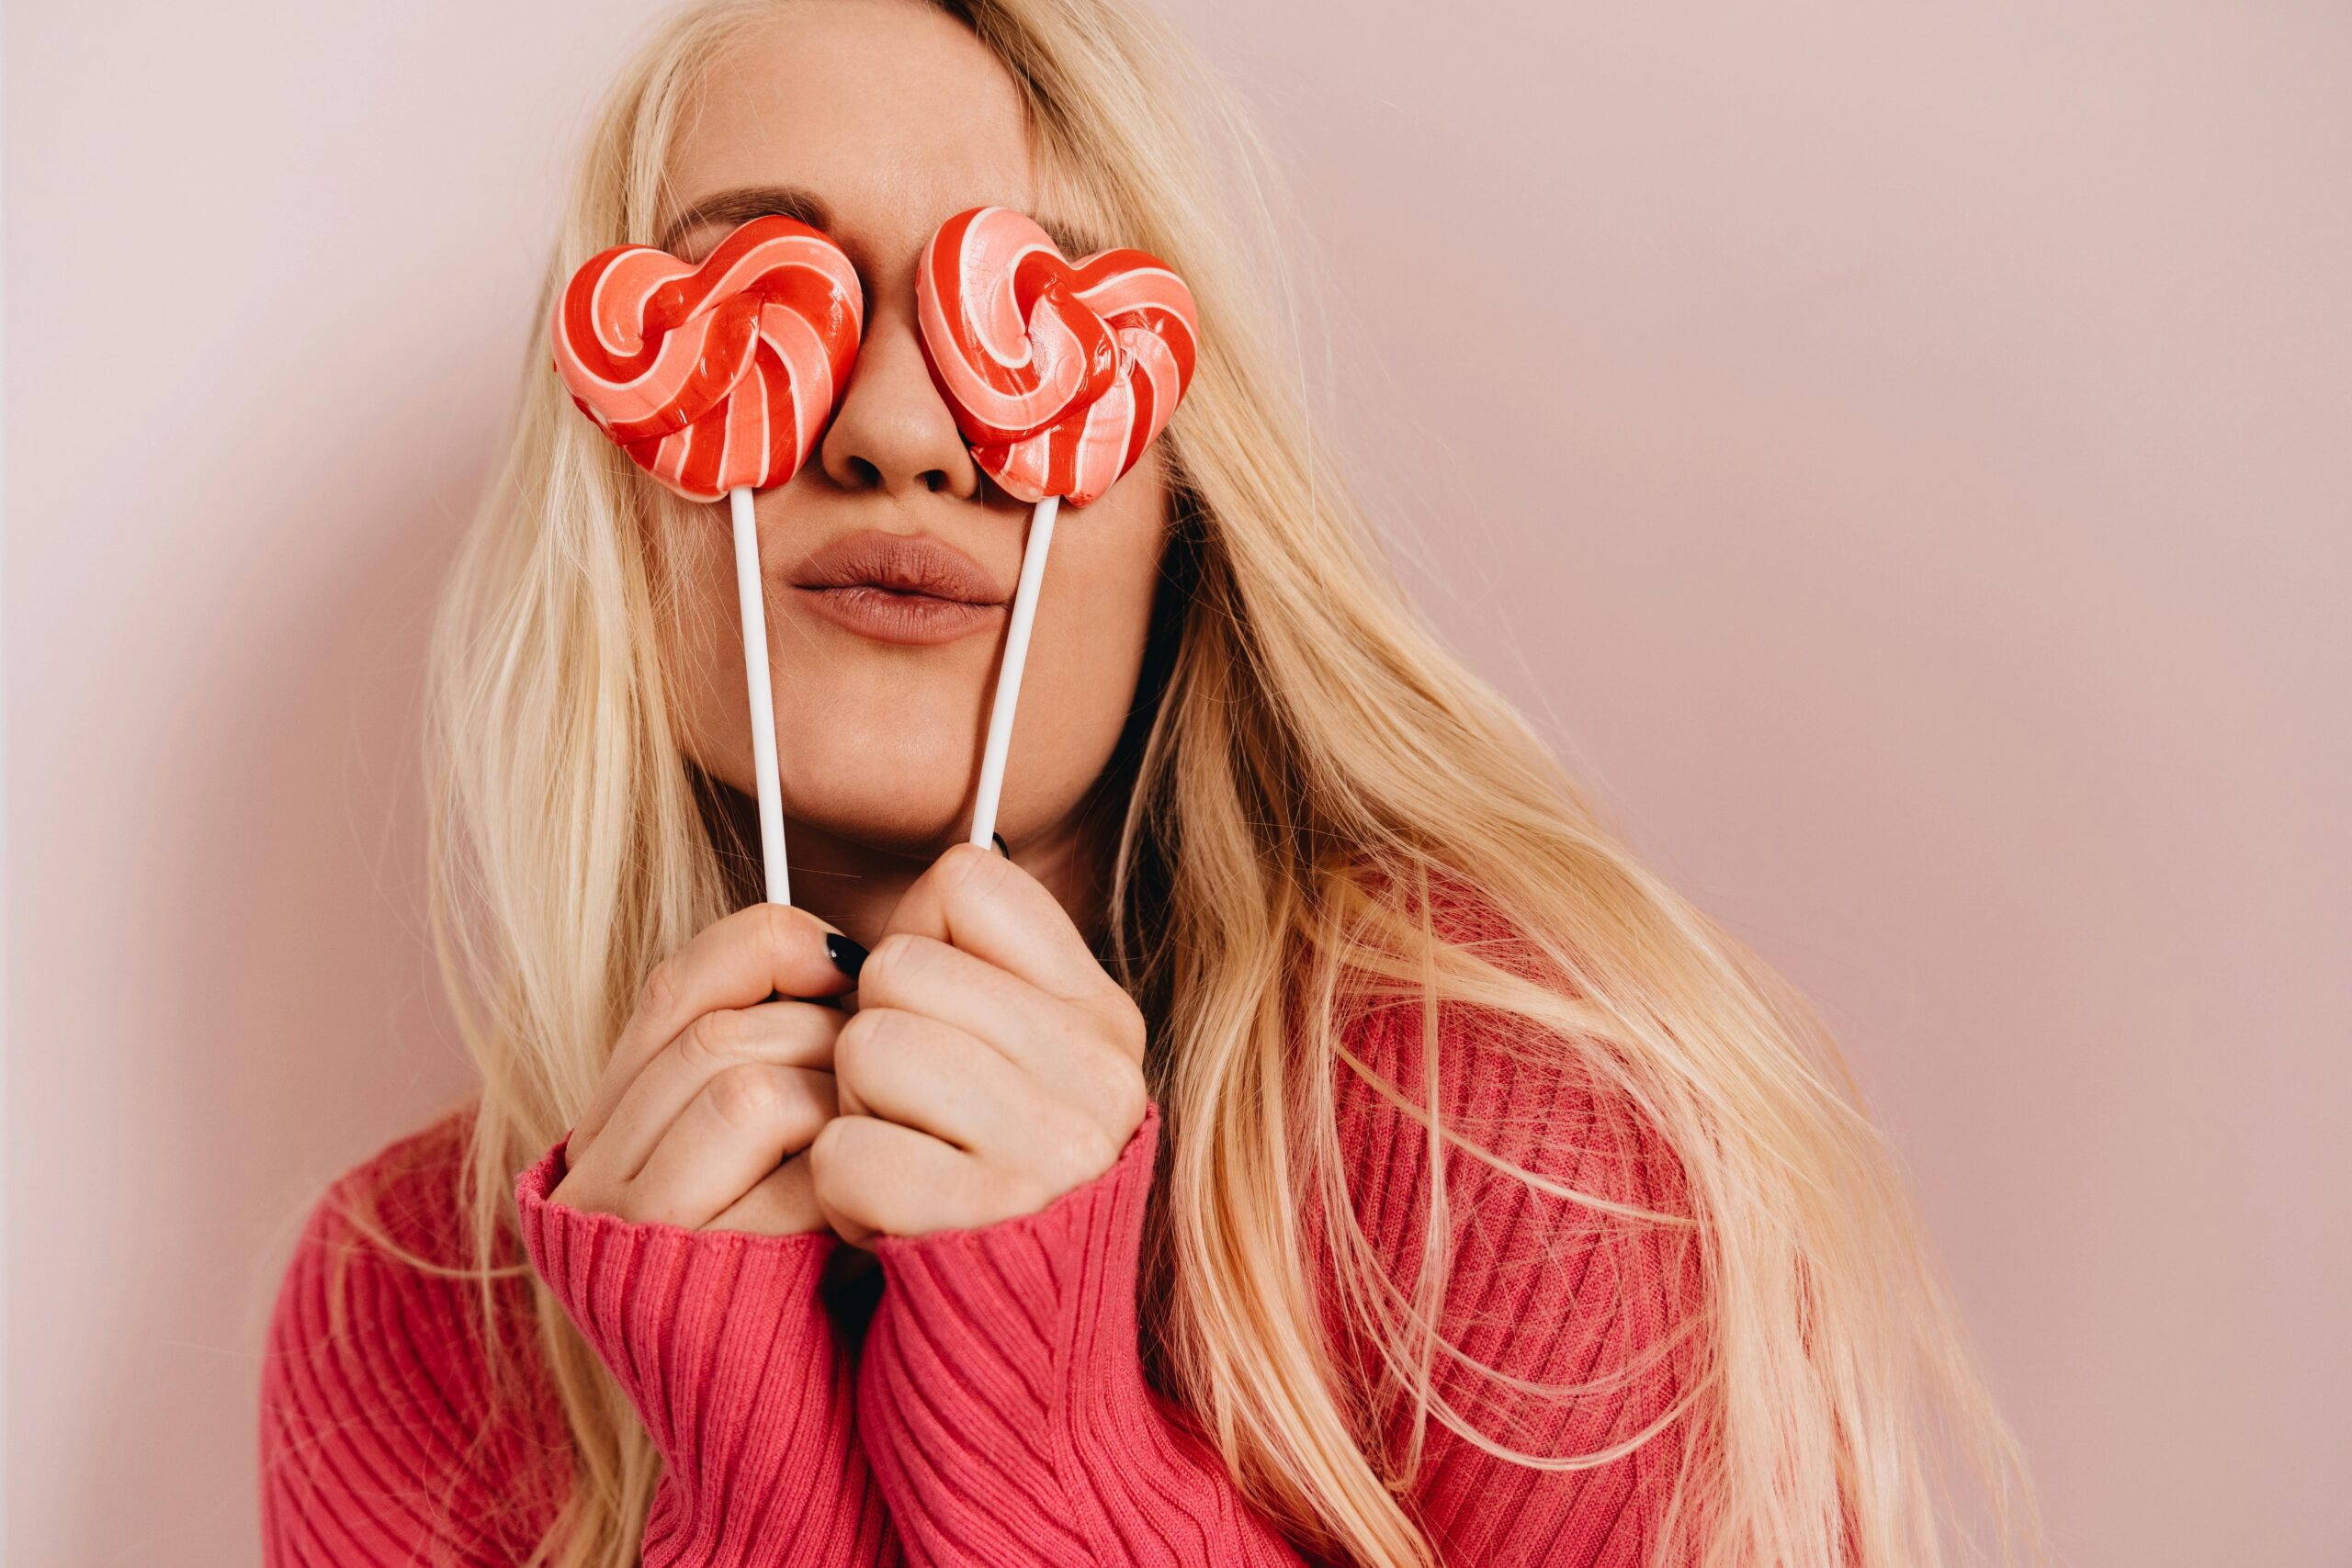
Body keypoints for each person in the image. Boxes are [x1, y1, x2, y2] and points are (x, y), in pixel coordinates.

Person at [257, 1, 2036, 1563]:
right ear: (618, 464)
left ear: (1177, 489)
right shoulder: (405, 1311)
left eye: (1015, 323)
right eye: (753, 296)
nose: (901, 429)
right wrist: (733, 1457)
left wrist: (1040, 1435)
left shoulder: (1501, 1148)